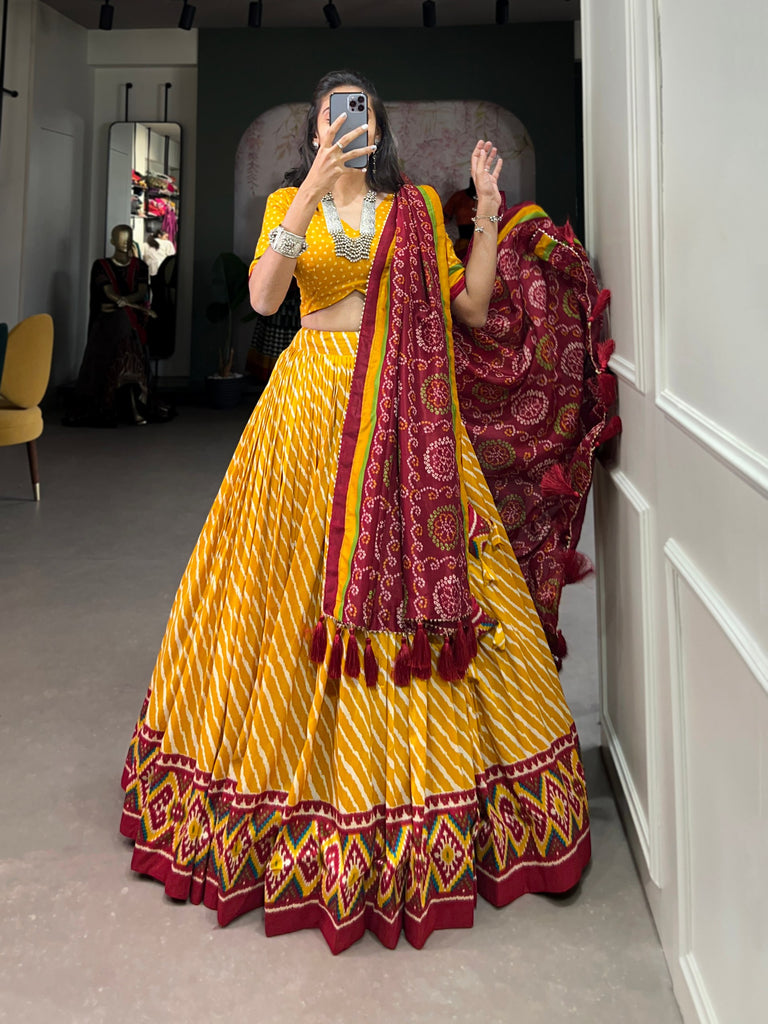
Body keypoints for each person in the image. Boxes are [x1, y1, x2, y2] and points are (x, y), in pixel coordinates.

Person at [119, 70, 592, 953]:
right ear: (314, 129)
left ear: (379, 127)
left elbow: (474, 308)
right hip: (306, 419)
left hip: (409, 421)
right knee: (283, 593)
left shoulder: (410, 211)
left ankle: (444, 803)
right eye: (336, 110)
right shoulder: (280, 207)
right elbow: (265, 299)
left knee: (431, 591)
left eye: (363, 108)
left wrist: (487, 211)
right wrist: (303, 195)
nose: (351, 119)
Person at [68, 224, 154, 426]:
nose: (125, 242)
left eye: (128, 238)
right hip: (108, 320)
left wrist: (126, 302)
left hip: (132, 320)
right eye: (120, 238)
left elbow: (141, 292)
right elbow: (107, 291)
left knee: (127, 332)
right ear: (112, 241)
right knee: (121, 325)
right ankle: (125, 404)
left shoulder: (140, 266)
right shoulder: (101, 266)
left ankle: (133, 399)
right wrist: (119, 301)